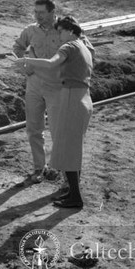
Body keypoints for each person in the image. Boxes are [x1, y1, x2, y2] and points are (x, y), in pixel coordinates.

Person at [12, 16, 93, 208]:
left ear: (70, 30)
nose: (60, 35)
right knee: (72, 146)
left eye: (62, 31)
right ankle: (73, 193)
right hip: (83, 96)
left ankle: (75, 197)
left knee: (67, 146)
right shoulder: (83, 46)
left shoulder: (69, 46)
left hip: (72, 97)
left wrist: (26, 60)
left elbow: (50, 63)